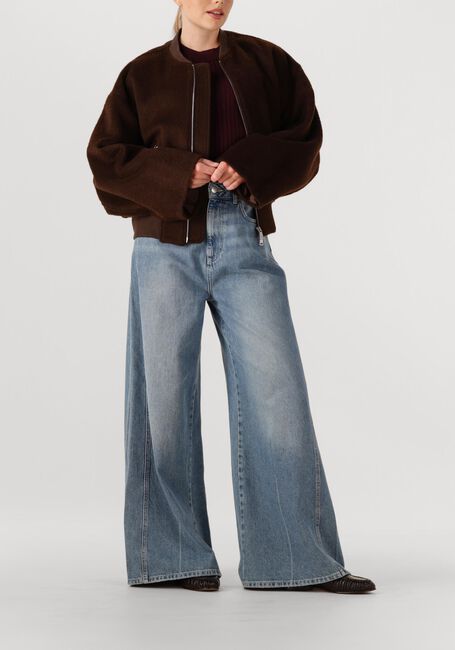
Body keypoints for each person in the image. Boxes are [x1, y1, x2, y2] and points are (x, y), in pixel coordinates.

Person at [86, 0, 376, 594]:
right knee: (162, 399)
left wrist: (248, 165)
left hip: (244, 236)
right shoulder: (142, 75)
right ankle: (171, 558)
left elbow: (305, 139)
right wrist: (179, 172)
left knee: (277, 392)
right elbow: (106, 160)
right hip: (163, 244)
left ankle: (294, 560)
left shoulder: (269, 64)